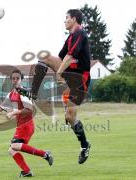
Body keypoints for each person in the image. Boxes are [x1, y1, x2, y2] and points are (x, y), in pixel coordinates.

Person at [16, 9, 91, 164]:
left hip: (80, 79)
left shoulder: (80, 33)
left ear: (74, 19)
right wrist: (61, 73)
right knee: (45, 58)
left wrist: (60, 73)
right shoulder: (70, 37)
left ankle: (85, 146)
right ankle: (33, 92)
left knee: (70, 117)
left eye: (66, 18)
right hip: (71, 74)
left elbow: (70, 57)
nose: (64, 21)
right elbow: (62, 56)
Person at [0, 69, 53, 177]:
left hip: (26, 124)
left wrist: (14, 113)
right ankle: (27, 171)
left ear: (21, 79)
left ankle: (45, 154)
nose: (15, 80)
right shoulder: (11, 94)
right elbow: (1, 107)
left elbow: (30, 109)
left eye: (18, 78)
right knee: (12, 150)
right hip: (20, 125)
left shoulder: (23, 92)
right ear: (11, 80)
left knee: (14, 145)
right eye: (13, 78)